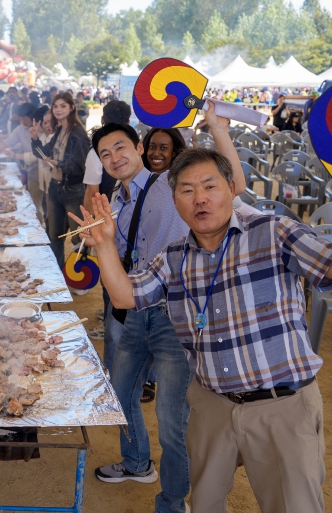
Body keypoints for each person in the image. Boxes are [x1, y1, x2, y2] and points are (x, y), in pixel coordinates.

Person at [80, 147, 331, 513]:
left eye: (209, 186)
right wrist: (104, 244)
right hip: (212, 405)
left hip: (282, 405)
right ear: (175, 201)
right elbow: (124, 296)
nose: (199, 198)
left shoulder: (274, 232)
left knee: (293, 506)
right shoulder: (174, 256)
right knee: (205, 503)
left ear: (231, 188)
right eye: (187, 190)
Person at [73, 102, 246, 513]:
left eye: (120, 147)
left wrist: (218, 130)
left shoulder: (170, 183)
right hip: (136, 308)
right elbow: (122, 259)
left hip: (177, 315)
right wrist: (99, 242)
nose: (114, 158)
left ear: (139, 146)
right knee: (120, 392)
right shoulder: (118, 198)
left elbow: (233, 187)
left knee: (172, 421)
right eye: (105, 154)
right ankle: (136, 462)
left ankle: (172, 501)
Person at [81, 100, 130, 341]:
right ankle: (110, 318)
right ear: (129, 122)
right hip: (120, 221)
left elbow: (92, 191)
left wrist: (89, 221)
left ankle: (110, 323)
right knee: (117, 272)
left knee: (110, 273)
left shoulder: (96, 151)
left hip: (106, 221)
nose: (114, 158)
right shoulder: (131, 147)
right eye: (107, 155)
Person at [31, 91, 90, 269]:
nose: (58, 109)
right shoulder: (60, 131)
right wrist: (35, 139)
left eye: (63, 106)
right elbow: (43, 153)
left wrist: (58, 163)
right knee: (53, 235)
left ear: (72, 108)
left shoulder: (77, 133)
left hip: (73, 190)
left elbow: (79, 167)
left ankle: (80, 276)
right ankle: (57, 273)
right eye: (55, 106)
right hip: (55, 187)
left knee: (79, 238)